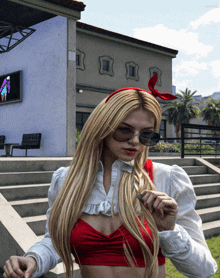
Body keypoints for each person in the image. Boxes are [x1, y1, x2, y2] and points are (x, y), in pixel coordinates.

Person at [3, 74, 217, 278]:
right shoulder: (66, 180)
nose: (135, 141)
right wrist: (33, 258)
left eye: (146, 135)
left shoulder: (166, 178)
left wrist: (170, 230)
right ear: (102, 127)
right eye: (124, 130)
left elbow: (204, 269)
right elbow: (55, 241)